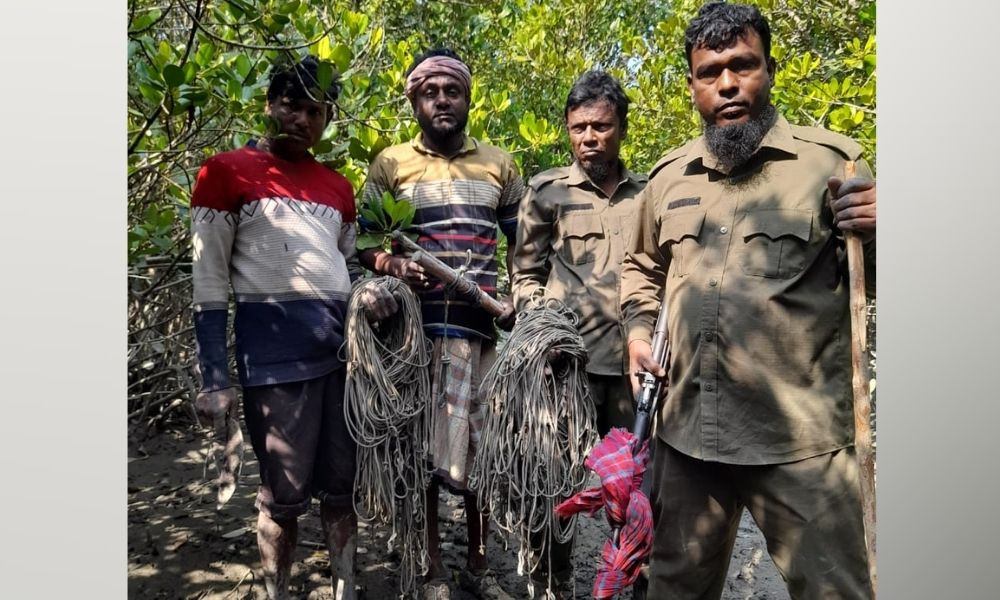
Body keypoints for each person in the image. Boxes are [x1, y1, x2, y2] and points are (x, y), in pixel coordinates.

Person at [621, 2, 877, 599]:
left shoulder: (831, 164)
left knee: (834, 590)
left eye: (744, 65)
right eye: (710, 72)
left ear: (769, 69)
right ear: (691, 85)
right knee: (675, 589)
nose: (728, 84)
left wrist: (886, 229)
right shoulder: (668, 176)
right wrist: (637, 333)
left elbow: (874, 279)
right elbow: (642, 268)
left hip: (799, 440)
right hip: (687, 433)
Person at [190, 55, 391, 600]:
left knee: (341, 489)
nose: (301, 120)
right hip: (272, 365)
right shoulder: (223, 172)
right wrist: (214, 378)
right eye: (290, 106)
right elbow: (209, 283)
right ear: (268, 104)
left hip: (344, 361)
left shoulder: (338, 187)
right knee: (282, 495)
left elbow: (350, 264)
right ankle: (277, 591)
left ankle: (344, 586)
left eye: (315, 111)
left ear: (326, 119)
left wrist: (373, 286)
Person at [357, 48, 523, 599]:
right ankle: (428, 565)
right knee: (422, 451)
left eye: (452, 91)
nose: (442, 100)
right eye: (431, 92)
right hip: (412, 336)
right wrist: (392, 263)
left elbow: (523, 242)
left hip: (479, 331)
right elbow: (362, 242)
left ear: (468, 97)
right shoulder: (390, 163)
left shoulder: (500, 164)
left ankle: (477, 562)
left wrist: (522, 293)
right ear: (415, 100)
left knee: (479, 448)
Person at [510, 70, 646, 596]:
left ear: (622, 128)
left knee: (635, 485)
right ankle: (552, 579)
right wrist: (541, 321)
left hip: (634, 373)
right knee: (554, 480)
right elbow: (525, 274)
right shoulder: (547, 191)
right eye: (578, 128)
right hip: (566, 371)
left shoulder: (651, 194)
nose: (589, 137)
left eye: (601, 126)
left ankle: (634, 576)